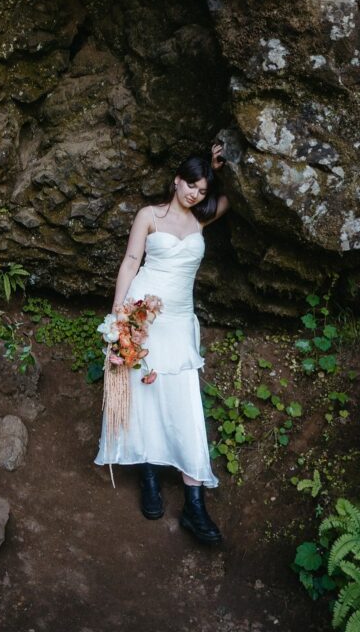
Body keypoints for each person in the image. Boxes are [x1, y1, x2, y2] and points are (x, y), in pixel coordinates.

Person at [95, 144, 229, 545]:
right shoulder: (149, 216)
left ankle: (194, 502)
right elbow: (131, 261)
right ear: (176, 179)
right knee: (144, 397)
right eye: (190, 184)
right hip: (144, 314)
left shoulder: (203, 218)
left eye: (201, 189)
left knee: (184, 405)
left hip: (180, 322)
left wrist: (217, 166)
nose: (194, 193)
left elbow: (230, 198)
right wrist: (120, 315)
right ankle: (150, 477)